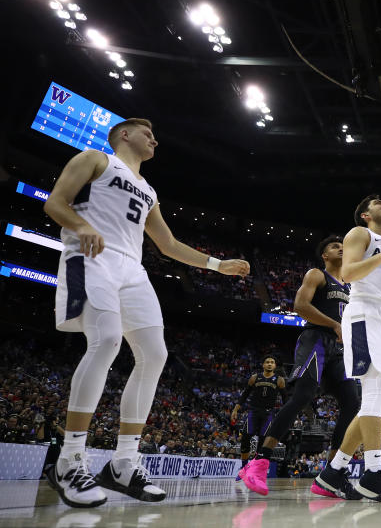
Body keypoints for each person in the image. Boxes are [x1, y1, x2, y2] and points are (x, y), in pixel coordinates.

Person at [42, 118, 249, 508]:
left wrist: (218, 265)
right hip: (90, 257)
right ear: (123, 134)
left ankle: (123, 463)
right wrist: (81, 225)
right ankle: (69, 460)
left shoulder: (149, 190)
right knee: (105, 341)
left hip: (132, 268)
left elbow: (167, 244)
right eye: (146, 132)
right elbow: (54, 203)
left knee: (155, 354)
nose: (154, 138)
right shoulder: (96, 160)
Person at [313, 195, 381, 503]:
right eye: (377, 202)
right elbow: (348, 274)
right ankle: (373, 472)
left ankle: (334, 471)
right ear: (365, 215)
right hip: (364, 311)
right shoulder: (360, 234)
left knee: (378, 403)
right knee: (373, 392)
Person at [239, 236, 362, 498]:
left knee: (353, 404)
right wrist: (333, 324)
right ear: (325, 256)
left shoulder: (350, 287)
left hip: (338, 349)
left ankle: (330, 475)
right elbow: (300, 306)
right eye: (333, 246)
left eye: (343, 245)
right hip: (315, 340)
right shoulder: (317, 274)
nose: (340, 247)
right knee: (302, 397)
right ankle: (258, 463)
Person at [232, 356, 284, 470]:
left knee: (262, 441)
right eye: (267, 362)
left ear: (275, 366)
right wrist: (235, 409)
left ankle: (255, 469)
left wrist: (288, 415)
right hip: (254, 411)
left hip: (268, 413)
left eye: (272, 362)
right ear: (263, 365)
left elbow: (286, 400)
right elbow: (245, 395)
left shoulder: (279, 380)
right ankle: (244, 467)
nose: (270, 364)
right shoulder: (254, 378)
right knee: (245, 437)